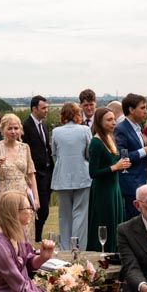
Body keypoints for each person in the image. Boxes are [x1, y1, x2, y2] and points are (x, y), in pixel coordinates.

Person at [0, 113, 37, 241]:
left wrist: (36, 198)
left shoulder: (25, 148)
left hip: (23, 194)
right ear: (2, 129)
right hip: (3, 194)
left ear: (20, 130)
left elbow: (31, 174)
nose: (13, 132)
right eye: (9, 128)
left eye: (16, 128)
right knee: (4, 230)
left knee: (24, 229)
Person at [50, 101, 91, 251]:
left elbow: (54, 153)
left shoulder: (56, 132)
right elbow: (89, 152)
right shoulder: (85, 130)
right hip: (82, 175)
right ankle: (78, 248)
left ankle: (65, 248)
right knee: (80, 213)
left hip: (62, 176)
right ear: (77, 114)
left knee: (64, 214)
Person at [87, 107, 126, 252]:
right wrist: (115, 167)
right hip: (103, 191)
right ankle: (101, 252)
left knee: (115, 222)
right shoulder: (96, 142)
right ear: (100, 122)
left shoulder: (110, 138)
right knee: (104, 222)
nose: (113, 122)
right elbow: (93, 172)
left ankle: (114, 251)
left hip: (114, 188)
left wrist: (120, 165)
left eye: (114, 119)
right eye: (109, 120)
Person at [114, 93, 147, 220]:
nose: (146, 111)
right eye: (142, 108)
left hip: (141, 180)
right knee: (132, 222)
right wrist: (144, 151)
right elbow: (123, 157)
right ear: (131, 110)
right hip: (130, 184)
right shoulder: (121, 129)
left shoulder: (138, 128)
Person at [22, 95, 54, 239]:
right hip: (35, 175)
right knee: (41, 209)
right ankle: (36, 238)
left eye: (47, 107)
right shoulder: (25, 126)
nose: (46, 110)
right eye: (43, 108)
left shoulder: (44, 125)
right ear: (34, 109)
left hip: (47, 174)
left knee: (44, 210)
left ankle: (37, 236)